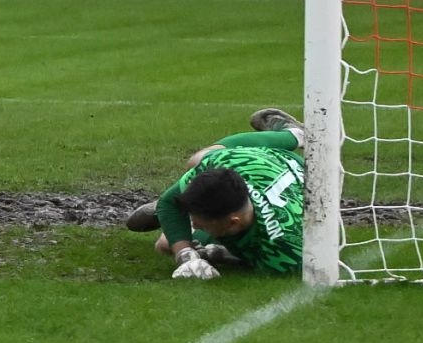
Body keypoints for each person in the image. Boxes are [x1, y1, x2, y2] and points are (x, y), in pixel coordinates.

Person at [126, 108, 305, 279]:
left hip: (303, 174)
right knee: (196, 160)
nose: (195, 224)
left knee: (166, 243)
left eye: (201, 224)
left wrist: (222, 255)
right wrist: (185, 255)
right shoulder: (217, 163)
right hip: (262, 159)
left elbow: (265, 263)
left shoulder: (285, 247)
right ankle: (295, 135)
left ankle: (181, 209)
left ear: (233, 222)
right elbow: (168, 202)